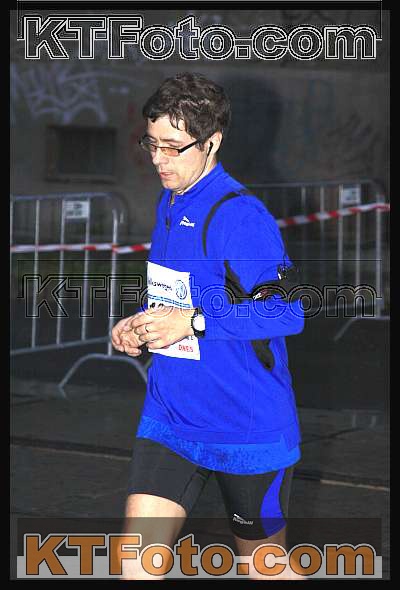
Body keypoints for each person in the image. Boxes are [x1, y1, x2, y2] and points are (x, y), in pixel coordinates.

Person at [111, 72, 305, 580]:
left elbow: (288, 311)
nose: (158, 159)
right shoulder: (171, 199)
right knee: (135, 564)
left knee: (264, 570)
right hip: (172, 415)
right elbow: (180, 293)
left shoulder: (240, 216)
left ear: (212, 142)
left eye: (173, 147)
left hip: (245, 424)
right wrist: (140, 324)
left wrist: (192, 322)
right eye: (151, 143)